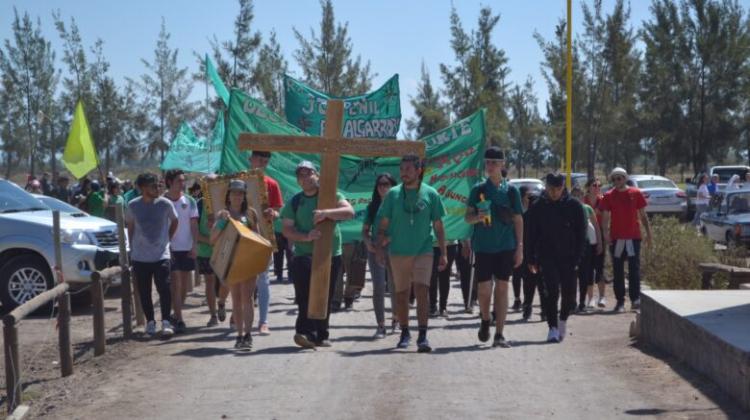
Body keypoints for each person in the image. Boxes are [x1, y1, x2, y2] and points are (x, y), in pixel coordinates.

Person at [377, 154, 447, 353]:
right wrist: (380, 248)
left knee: (422, 291)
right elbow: (383, 224)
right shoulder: (392, 195)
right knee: (401, 294)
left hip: (423, 250)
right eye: (402, 169)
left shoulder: (431, 194)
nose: (403, 172)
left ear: (419, 171)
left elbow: (439, 226)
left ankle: (423, 335)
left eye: (408, 169)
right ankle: (405, 332)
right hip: (398, 251)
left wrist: (443, 253)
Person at [281, 161, 354, 349]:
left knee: (326, 294)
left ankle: (322, 334)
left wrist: (326, 213)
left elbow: (349, 212)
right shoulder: (295, 201)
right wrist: (306, 236)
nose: (305, 178)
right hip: (303, 254)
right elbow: (287, 229)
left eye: (308, 173)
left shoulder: (331, 196)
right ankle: (305, 333)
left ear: (317, 175)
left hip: (330, 254)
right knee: (304, 295)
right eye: (300, 175)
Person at [464, 147, 522, 348]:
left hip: (506, 246)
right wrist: (476, 217)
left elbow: (518, 219)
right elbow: (467, 217)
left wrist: (520, 247)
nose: (490, 166)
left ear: (502, 164)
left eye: (494, 163)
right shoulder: (478, 190)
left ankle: (499, 334)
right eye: (487, 162)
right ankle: (485, 319)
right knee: (484, 289)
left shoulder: (511, 190)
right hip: (483, 246)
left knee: (503, 287)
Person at [526, 173, 586, 343]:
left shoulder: (574, 206)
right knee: (551, 292)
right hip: (546, 256)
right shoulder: (537, 207)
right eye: (550, 188)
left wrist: (578, 258)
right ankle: (552, 328)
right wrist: (530, 258)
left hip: (569, 257)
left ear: (563, 188)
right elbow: (530, 235)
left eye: (557, 189)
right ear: (546, 188)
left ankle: (562, 320)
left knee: (568, 295)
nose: (554, 192)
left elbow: (581, 235)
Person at [211, 179, 261, 350]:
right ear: (228, 195)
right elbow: (213, 238)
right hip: (230, 263)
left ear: (244, 195)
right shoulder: (223, 214)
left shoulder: (251, 213)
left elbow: (258, 238)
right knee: (236, 299)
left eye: (240, 193)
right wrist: (223, 222)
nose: (237, 196)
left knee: (247, 299)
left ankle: (248, 335)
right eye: (234, 193)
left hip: (248, 262)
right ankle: (239, 335)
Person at [126, 172, 178, 337]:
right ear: (142, 188)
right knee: (144, 290)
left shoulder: (165, 204)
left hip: (161, 255)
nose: (157, 188)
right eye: (152, 186)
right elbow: (131, 227)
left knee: (164, 288)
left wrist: (167, 239)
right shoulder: (133, 205)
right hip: (140, 256)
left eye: (158, 185)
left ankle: (166, 322)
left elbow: (175, 221)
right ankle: (150, 322)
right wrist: (133, 249)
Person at [600, 167, 653, 312]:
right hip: (617, 238)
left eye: (620, 178)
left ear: (625, 178)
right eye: (615, 178)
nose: (617, 181)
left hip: (633, 237)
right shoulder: (609, 195)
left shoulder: (635, 193)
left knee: (634, 269)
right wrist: (606, 234)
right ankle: (620, 302)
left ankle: (635, 299)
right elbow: (605, 218)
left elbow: (643, 215)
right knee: (618, 270)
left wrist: (649, 234)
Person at [248, 150, 284, 335]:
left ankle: (263, 321)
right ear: (250, 159)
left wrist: (273, 214)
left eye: (265, 161)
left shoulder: (272, 184)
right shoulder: (238, 182)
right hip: (241, 238)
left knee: (263, 279)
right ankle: (241, 313)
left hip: (263, 237)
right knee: (242, 278)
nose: (261, 163)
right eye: (259, 159)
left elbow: (278, 209)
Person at [362, 173, 398, 338]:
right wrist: (368, 242)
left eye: (386, 184)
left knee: (395, 286)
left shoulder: (399, 204)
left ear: (392, 186)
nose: (382, 187)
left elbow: (402, 228)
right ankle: (381, 325)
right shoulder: (373, 206)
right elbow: (364, 230)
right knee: (378, 287)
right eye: (379, 184)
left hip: (395, 247)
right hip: (375, 248)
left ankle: (396, 320)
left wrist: (388, 239)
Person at [164, 169, 199, 333]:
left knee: (184, 286)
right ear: (170, 182)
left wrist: (194, 245)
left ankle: (175, 314)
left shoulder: (190, 201)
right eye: (179, 180)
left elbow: (193, 225)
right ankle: (180, 319)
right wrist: (166, 246)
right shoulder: (162, 201)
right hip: (170, 248)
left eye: (183, 180)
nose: (182, 183)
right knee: (176, 284)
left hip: (187, 247)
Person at [571, 185, 603, 312]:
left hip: (586, 246)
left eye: (579, 195)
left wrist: (600, 243)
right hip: (570, 247)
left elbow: (596, 226)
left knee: (584, 275)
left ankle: (582, 302)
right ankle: (571, 302)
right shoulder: (566, 209)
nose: (577, 197)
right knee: (571, 276)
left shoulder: (588, 209)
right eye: (574, 195)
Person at [195, 176, 221, 327]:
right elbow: (195, 233)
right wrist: (211, 241)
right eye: (207, 185)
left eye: (214, 184)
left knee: (228, 282)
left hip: (225, 250)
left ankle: (222, 303)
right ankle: (213, 315)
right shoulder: (198, 205)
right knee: (209, 282)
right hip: (205, 251)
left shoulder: (226, 203)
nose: (211, 187)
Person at [518, 186, 545, 322]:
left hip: (538, 256)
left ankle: (540, 310)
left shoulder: (542, 218)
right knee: (533, 285)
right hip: (531, 256)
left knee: (538, 285)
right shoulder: (525, 217)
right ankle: (530, 308)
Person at [584, 178, 607, 308]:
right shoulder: (583, 200)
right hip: (587, 239)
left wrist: (602, 240)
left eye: (599, 185)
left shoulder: (603, 200)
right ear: (588, 187)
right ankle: (590, 298)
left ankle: (602, 297)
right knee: (588, 269)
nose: (597, 187)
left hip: (600, 237)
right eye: (594, 185)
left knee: (600, 268)